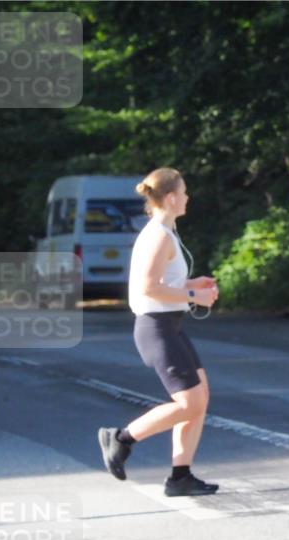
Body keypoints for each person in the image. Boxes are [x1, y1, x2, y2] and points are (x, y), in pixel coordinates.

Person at [98, 167, 220, 497]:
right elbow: (148, 287)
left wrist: (191, 285)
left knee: (200, 398)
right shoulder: (158, 236)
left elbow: (163, 283)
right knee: (190, 403)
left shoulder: (165, 232)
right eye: (183, 191)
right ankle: (121, 438)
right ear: (170, 197)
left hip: (170, 326)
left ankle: (181, 476)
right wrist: (195, 295)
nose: (187, 197)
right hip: (156, 329)